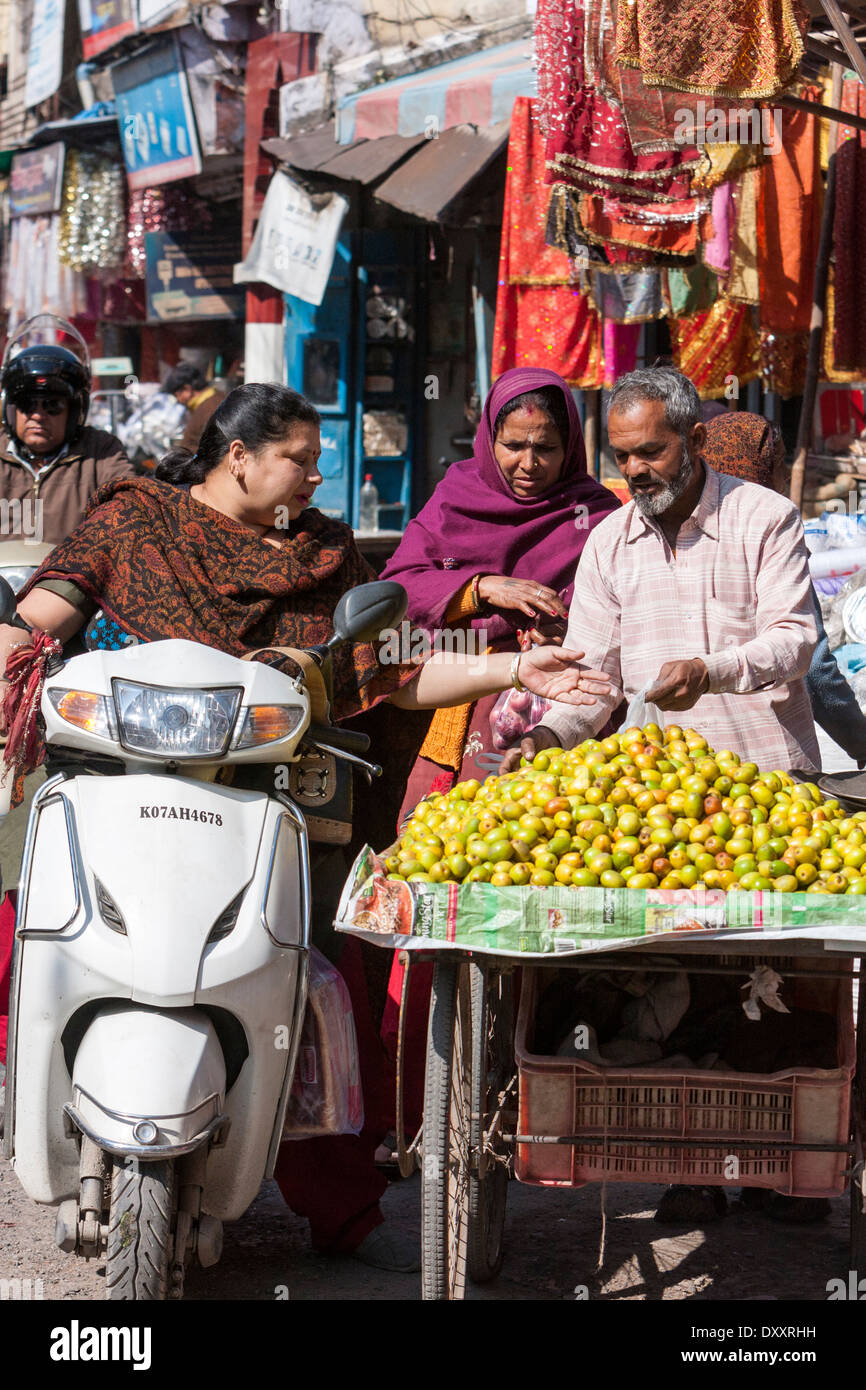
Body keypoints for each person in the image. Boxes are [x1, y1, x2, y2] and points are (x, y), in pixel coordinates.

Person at [0, 383, 612, 1271]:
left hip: (272, 808)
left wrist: (516, 668)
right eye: (301, 458)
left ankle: (340, 1206)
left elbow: (394, 677)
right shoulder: (135, 520)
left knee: (323, 977)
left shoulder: (326, 554)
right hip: (122, 789)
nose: (317, 477)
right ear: (238, 456)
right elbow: (38, 619)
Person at [379, 367, 620, 1142]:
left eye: (546, 448)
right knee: (433, 901)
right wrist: (485, 588)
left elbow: (623, 608)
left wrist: (566, 634)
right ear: (487, 440)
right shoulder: (455, 498)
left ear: (571, 445)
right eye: (512, 445)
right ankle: (411, 1107)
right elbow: (397, 591)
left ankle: (536, 1098)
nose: (527, 464)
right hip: (459, 729)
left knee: (544, 908)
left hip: (564, 733)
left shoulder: (598, 517)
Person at [504, 366, 819, 774]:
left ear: (697, 440)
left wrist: (708, 672)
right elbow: (594, 682)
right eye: (622, 456)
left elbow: (795, 642)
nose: (634, 470)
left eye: (651, 452)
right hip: (662, 793)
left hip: (771, 778)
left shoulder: (766, 518)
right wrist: (548, 736)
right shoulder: (608, 543)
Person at [704, 410, 866, 767]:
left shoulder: (683, 535)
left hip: (688, 752)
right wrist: (860, 741)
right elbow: (814, 670)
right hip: (764, 757)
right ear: (762, 470)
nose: (784, 475)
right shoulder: (774, 539)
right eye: (778, 464)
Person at [0, 345, 133, 546]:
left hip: (73, 576)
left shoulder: (101, 452)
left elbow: (129, 501)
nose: (37, 415)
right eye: (27, 405)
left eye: (52, 405)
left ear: (73, 412)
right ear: (11, 410)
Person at [164, 363, 227, 453]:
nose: (178, 400)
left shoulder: (209, 409)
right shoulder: (219, 398)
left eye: (177, 395)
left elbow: (215, 450)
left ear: (187, 389)